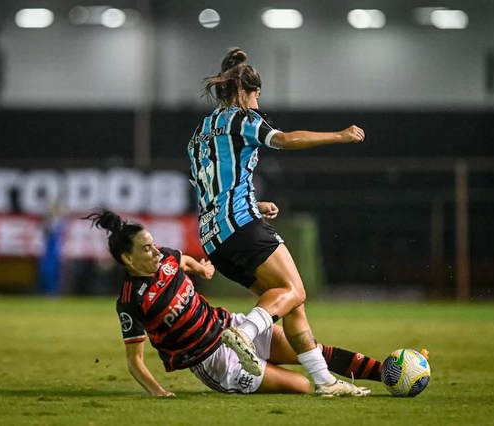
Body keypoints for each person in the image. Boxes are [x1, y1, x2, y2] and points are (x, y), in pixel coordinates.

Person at [187, 47, 366, 395]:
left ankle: (324, 380)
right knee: (295, 290)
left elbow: (210, 185)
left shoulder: (199, 133)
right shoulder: (242, 118)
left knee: (287, 300)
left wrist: (256, 202)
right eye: (256, 95)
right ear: (243, 92)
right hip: (242, 227)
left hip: (214, 239)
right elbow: (283, 140)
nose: (257, 102)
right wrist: (339, 136)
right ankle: (245, 333)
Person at [85, 210, 417, 396]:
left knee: (310, 349)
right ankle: (285, 373)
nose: (156, 251)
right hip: (213, 359)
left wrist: (203, 267)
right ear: (127, 258)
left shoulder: (168, 259)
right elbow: (135, 362)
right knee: (302, 386)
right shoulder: (131, 301)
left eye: (154, 244)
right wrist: (159, 392)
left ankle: (388, 373)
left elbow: (184, 261)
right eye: (146, 249)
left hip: (227, 326)